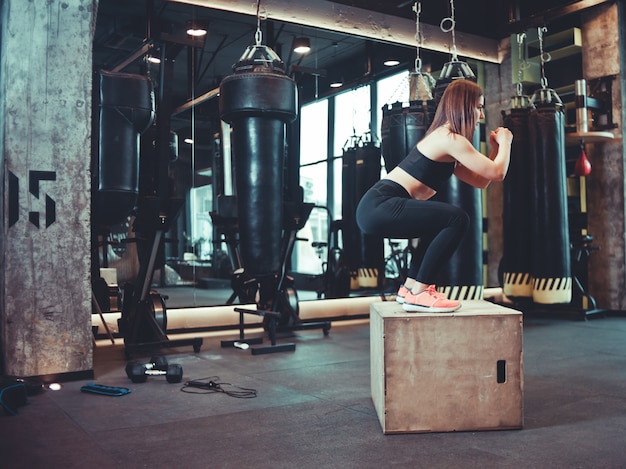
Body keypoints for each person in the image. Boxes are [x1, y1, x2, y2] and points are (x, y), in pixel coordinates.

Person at [356, 79, 513, 313]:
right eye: (478, 107)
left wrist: (495, 149)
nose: (481, 115)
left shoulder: (447, 142)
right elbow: (499, 172)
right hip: (380, 204)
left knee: (438, 223)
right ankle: (421, 291)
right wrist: (506, 142)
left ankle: (410, 288)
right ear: (464, 105)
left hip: (377, 207)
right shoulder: (449, 139)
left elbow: (481, 180)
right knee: (457, 218)